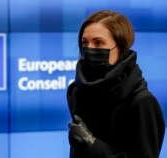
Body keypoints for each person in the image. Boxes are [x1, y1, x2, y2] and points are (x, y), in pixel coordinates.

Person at [67, 10, 165, 158]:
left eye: (99, 42)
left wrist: (93, 144)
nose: (89, 49)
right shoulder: (77, 91)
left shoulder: (142, 102)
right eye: (85, 43)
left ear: (120, 47)